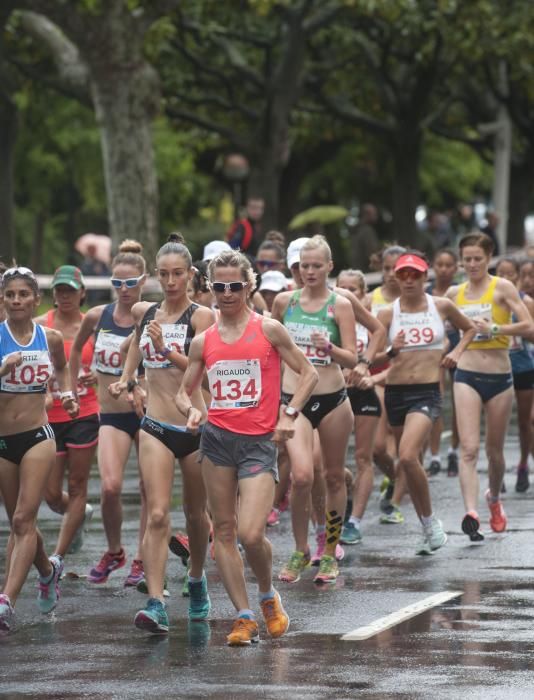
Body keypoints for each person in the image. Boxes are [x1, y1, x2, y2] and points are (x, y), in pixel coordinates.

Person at [176, 248, 318, 646]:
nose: (226, 293)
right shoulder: (203, 341)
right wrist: (190, 411)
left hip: (258, 443)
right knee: (223, 530)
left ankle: (268, 596)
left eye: (234, 286)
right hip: (218, 441)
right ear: (209, 288)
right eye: (218, 286)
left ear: (248, 286)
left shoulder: (269, 329)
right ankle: (243, 616)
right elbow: (183, 394)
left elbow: (307, 374)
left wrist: (289, 413)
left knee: (252, 534)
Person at [109, 233, 214, 634]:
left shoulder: (201, 317)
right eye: (164, 275)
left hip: (193, 423)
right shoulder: (146, 311)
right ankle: (155, 602)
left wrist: (167, 350)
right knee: (156, 513)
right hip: (154, 423)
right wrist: (126, 378)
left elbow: (201, 368)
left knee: (194, 514)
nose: (171, 282)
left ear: (189, 275)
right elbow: (137, 343)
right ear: (155, 275)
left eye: (178, 275)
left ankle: (197, 579)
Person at [272, 236, 380, 584]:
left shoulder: (341, 304)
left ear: (329, 267)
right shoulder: (284, 302)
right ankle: (301, 549)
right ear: (297, 268)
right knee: (302, 476)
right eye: (305, 266)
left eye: (317, 266)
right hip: (295, 401)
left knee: (334, 476)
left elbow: (352, 356)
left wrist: (330, 348)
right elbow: (269, 351)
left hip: (334, 399)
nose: (311, 272)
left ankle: (330, 552)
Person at [377, 251, 476, 554]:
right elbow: (372, 358)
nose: (408, 280)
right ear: (395, 276)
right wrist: (392, 351)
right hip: (395, 393)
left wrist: (457, 353)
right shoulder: (387, 313)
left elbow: (470, 328)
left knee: (407, 456)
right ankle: (426, 526)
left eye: (415, 275)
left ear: (425, 277)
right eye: (403, 274)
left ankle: (431, 523)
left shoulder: (441, 306)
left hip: (427, 392)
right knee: (409, 462)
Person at [0, 266, 78, 631]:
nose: (17, 300)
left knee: (21, 520)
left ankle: (6, 601)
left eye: (23, 294)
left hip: (37, 435)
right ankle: (47, 570)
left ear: (35, 299)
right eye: (11, 294)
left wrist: (65, 394)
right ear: (4, 299)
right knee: (20, 521)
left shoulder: (50, 337)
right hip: (3, 441)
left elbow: (62, 369)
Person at [70, 240, 149, 586]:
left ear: (143, 281)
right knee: (111, 488)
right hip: (111, 414)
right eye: (118, 283)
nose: (124, 289)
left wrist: (139, 383)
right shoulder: (97, 316)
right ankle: (115, 550)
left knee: (150, 489)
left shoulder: (152, 317)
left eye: (131, 283)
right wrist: (73, 386)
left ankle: (143, 558)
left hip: (148, 415)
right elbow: (74, 352)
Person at [447, 233, 534, 541]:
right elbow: (445, 330)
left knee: (494, 453)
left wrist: (496, 328)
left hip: (500, 377)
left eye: (477, 259)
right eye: (467, 259)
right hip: (467, 374)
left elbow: (529, 327)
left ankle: (493, 499)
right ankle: (471, 513)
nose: (472, 264)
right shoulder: (455, 293)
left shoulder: (503, 288)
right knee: (468, 449)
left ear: (489, 258)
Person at [35, 266, 99, 559]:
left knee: (77, 484)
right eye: (60, 290)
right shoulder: (40, 326)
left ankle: (58, 556)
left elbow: (111, 364)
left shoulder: (93, 327)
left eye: (70, 290)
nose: (65, 296)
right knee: (49, 494)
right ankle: (80, 514)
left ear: (82, 292)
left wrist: (96, 374)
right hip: (49, 415)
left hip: (84, 413)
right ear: (53, 294)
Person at [336, 270, 382, 545]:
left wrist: (369, 373)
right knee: (328, 467)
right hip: (334, 394)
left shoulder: (370, 323)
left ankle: (353, 522)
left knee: (365, 457)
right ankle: (347, 488)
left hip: (364, 394)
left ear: (362, 294)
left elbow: (391, 359)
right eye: (341, 287)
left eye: (352, 288)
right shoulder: (328, 317)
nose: (345, 292)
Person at [365, 245, 405, 524]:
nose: (392, 274)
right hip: (377, 373)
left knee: (406, 448)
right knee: (378, 448)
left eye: (398, 268)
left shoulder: (420, 300)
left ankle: (395, 503)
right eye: (387, 268)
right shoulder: (370, 300)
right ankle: (394, 478)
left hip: (409, 376)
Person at [495, 257, 534, 493]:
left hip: (523, 368)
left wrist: (514, 330)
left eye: (511, 275)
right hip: (495, 367)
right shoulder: (488, 300)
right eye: (502, 273)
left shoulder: (525, 302)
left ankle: (522, 463)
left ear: (517, 277)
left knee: (525, 421)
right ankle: (497, 470)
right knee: (496, 424)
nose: (506, 278)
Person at [426, 249, 461, 476]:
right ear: (433, 267)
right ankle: (435, 455)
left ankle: (454, 451)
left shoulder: (459, 293)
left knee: (460, 402)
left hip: (459, 350)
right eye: (440, 264)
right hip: (434, 352)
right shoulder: (426, 294)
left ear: (456, 268)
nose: (444, 269)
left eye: (449, 265)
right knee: (435, 402)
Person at [350, 203, 381, 271]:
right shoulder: (367, 231)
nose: (376, 216)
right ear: (366, 215)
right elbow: (372, 253)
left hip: (357, 270)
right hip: (367, 271)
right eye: (374, 214)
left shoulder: (356, 230)